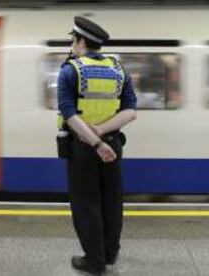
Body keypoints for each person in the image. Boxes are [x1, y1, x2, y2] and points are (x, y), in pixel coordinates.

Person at [57, 16, 137, 275]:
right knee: (112, 201)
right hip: (113, 143)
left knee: (86, 203)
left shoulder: (71, 70)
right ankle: (110, 253)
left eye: (73, 40)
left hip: (84, 148)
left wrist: (95, 140)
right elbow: (131, 112)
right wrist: (103, 133)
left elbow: (68, 113)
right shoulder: (119, 69)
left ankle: (94, 260)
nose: (72, 44)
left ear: (81, 41)